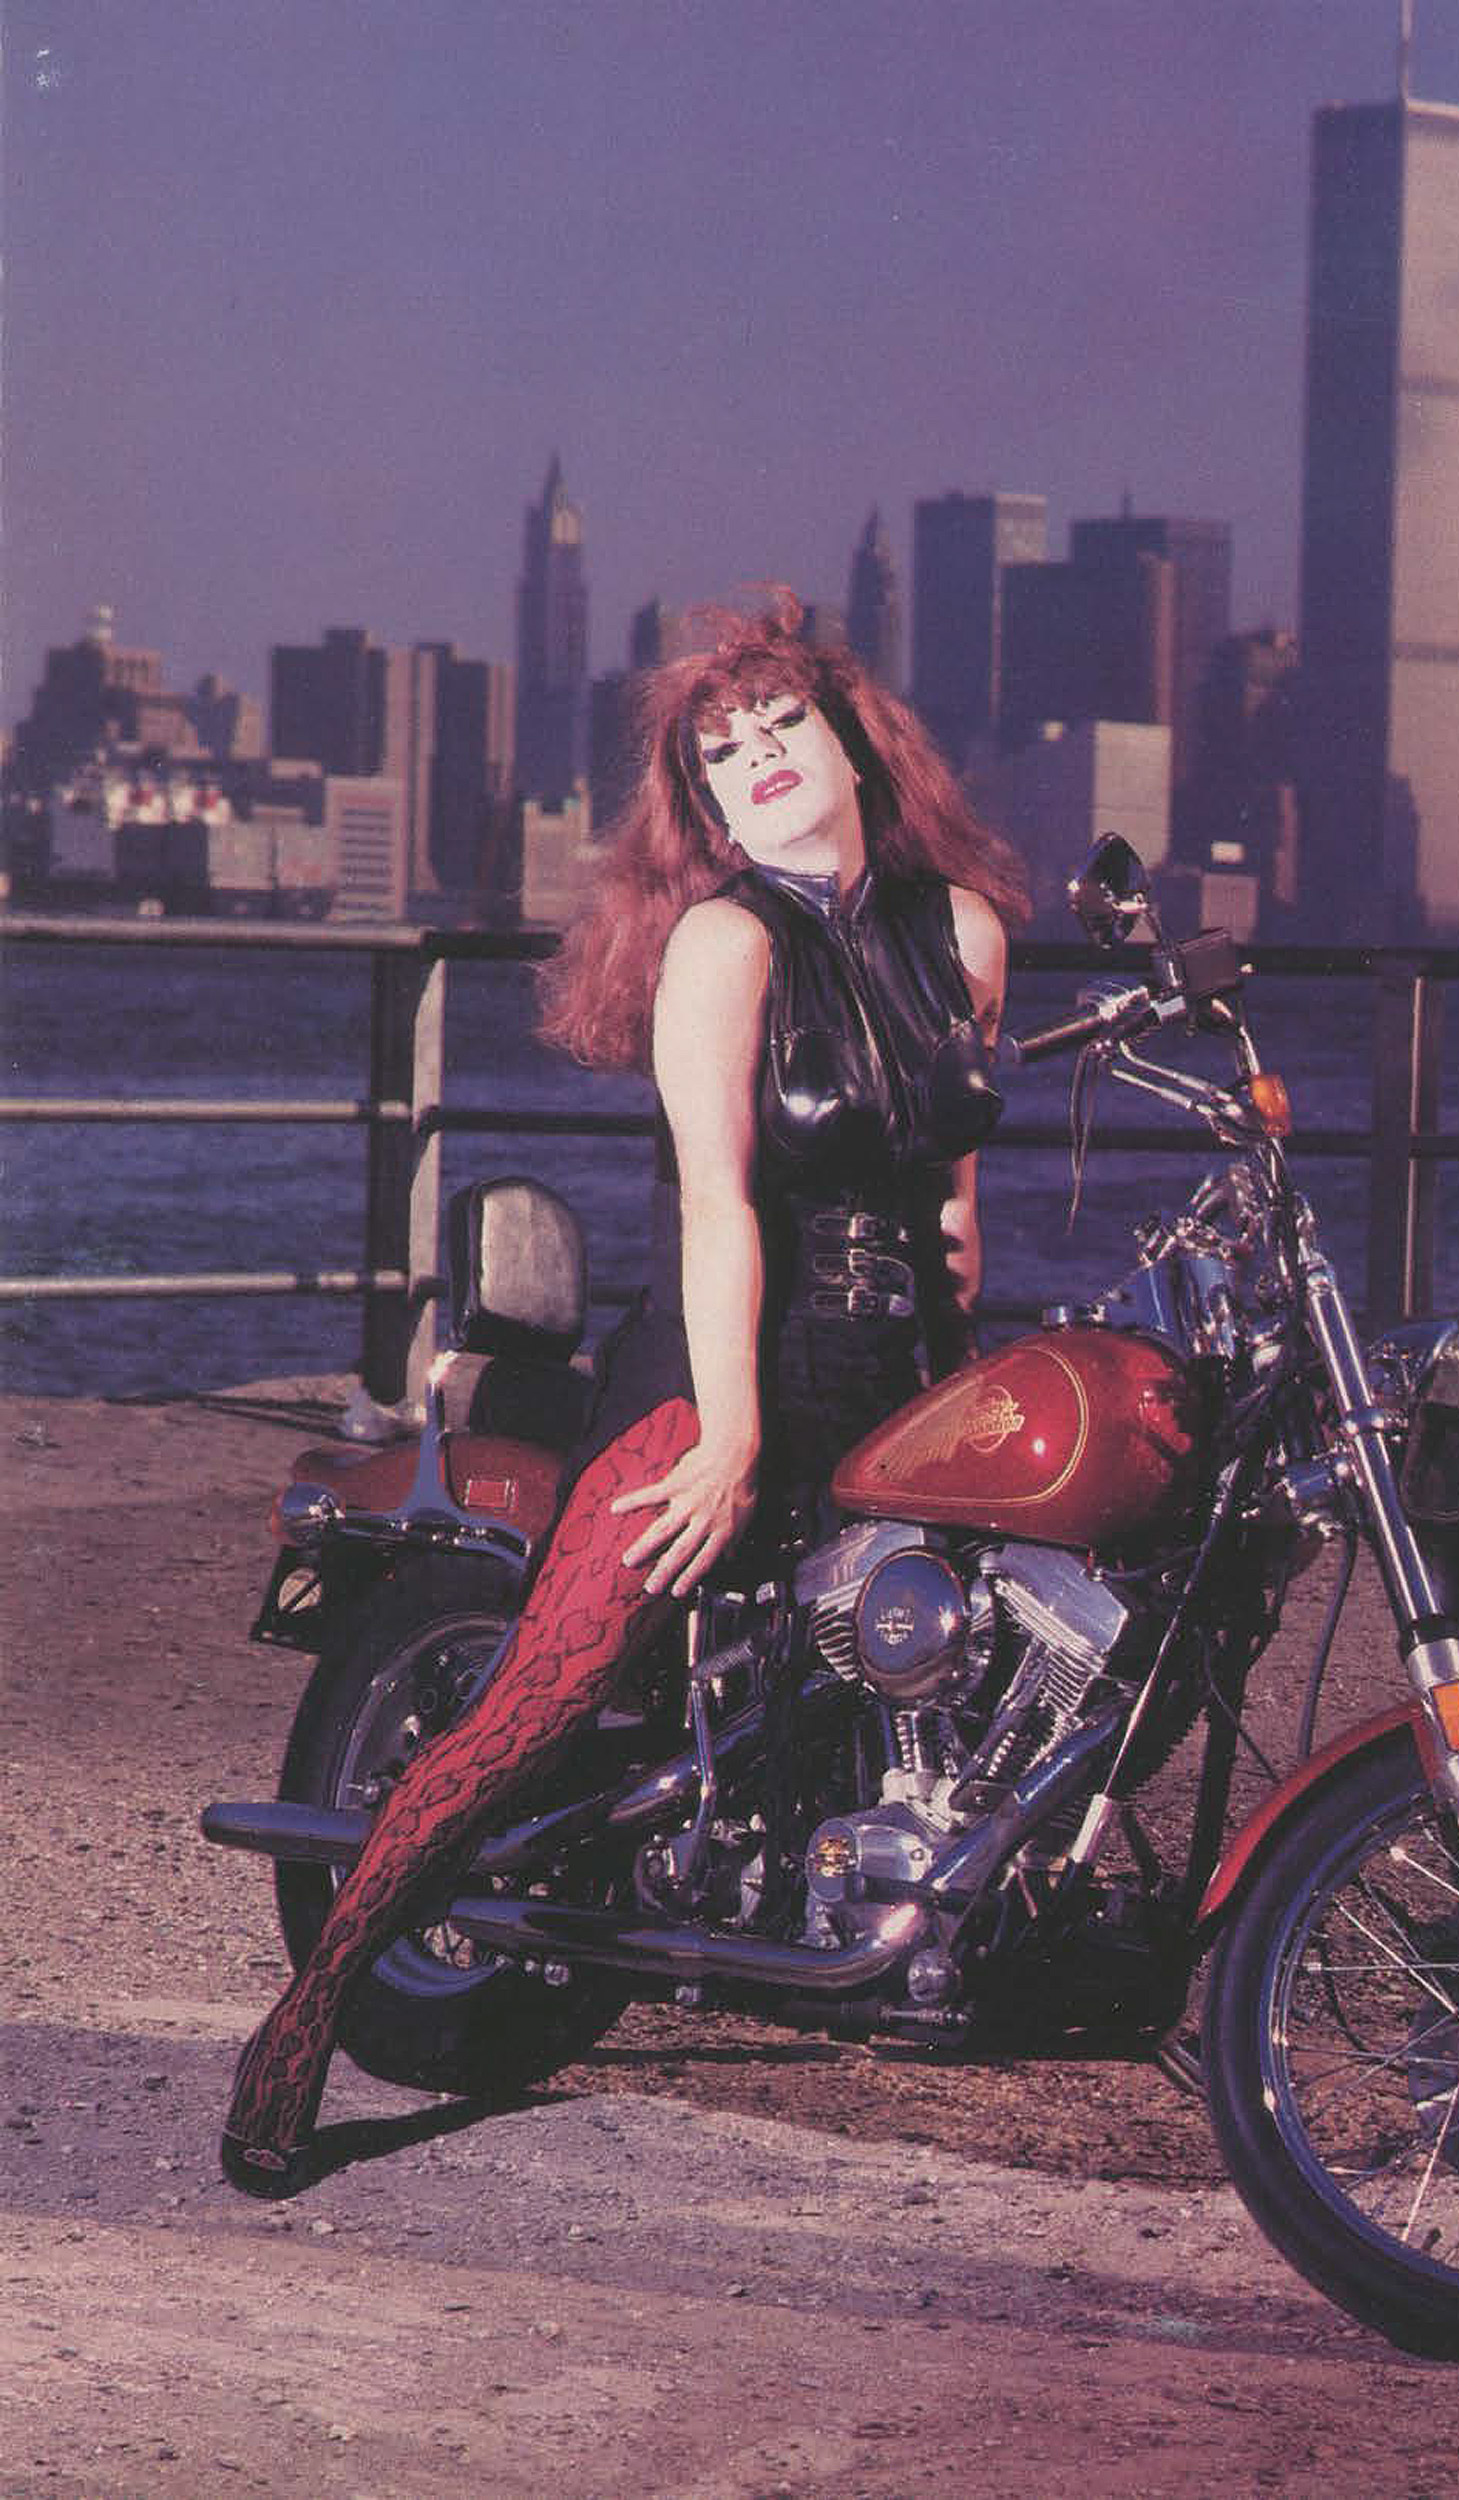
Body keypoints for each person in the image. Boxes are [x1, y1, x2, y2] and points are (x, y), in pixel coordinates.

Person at [220, 592, 1027, 2195]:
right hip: (719, 1360)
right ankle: (307, 2018)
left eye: (782, 724)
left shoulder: (965, 932)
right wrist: (728, 1435)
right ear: (707, 809)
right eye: (724, 754)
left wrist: (965, 1399)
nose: (762, 760)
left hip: (892, 1368)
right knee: (540, 1695)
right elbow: (719, 1207)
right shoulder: (726, 944)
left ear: (855, 739)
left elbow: (949, 1208)